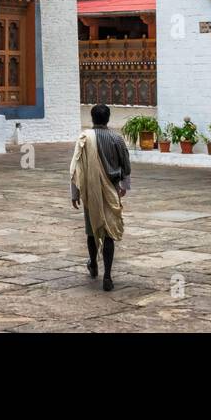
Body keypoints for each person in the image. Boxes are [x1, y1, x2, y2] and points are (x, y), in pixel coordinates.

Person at [70, 103, 131, 291]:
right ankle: (107, 276)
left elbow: (76, 169)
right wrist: (123, 187)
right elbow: (126, 166)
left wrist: (75, 193)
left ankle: (94, 265)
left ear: (92, 117)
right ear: (108, 118)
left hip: (91, 190)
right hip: (111, 189)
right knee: (109, 233)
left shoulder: (84, 138)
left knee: (91, 230)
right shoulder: (116, 139)